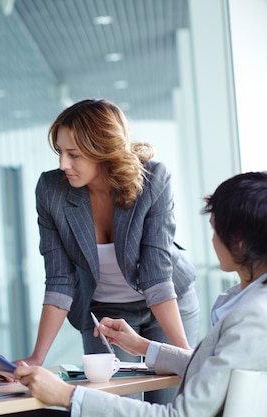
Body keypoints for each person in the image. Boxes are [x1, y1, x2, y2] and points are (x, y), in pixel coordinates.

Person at [15, 170, 267, 416]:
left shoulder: (253, 319)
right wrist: (142, 346)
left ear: (239, 242)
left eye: (214, 230)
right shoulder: (251, 306)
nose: (212, 240)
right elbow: (212, 370)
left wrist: (66, 396)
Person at [18, 98, 200, 403]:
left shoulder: (153, 179)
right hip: (104, 315)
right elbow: (59, 280)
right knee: (107, 405)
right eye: (60, 153)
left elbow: (157, 276)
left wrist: (184, 358)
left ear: (103, 151)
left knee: (168, 404)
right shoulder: (51, 190)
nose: (63, 164)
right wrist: (37, 357)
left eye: (73, 154)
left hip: (168, 306)